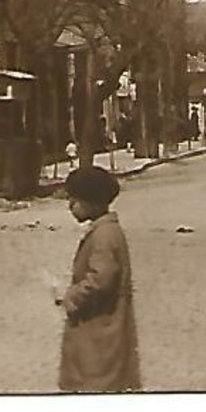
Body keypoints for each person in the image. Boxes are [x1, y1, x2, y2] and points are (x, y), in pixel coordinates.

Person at [55, 166, 141, 393]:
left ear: (91, 202)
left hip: (100, 329)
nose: (70, 206)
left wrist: (72, 295)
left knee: (95, 384)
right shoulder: (107, 230)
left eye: (75, 200)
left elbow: (101, 280)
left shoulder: (104, 236)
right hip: (103, 325)